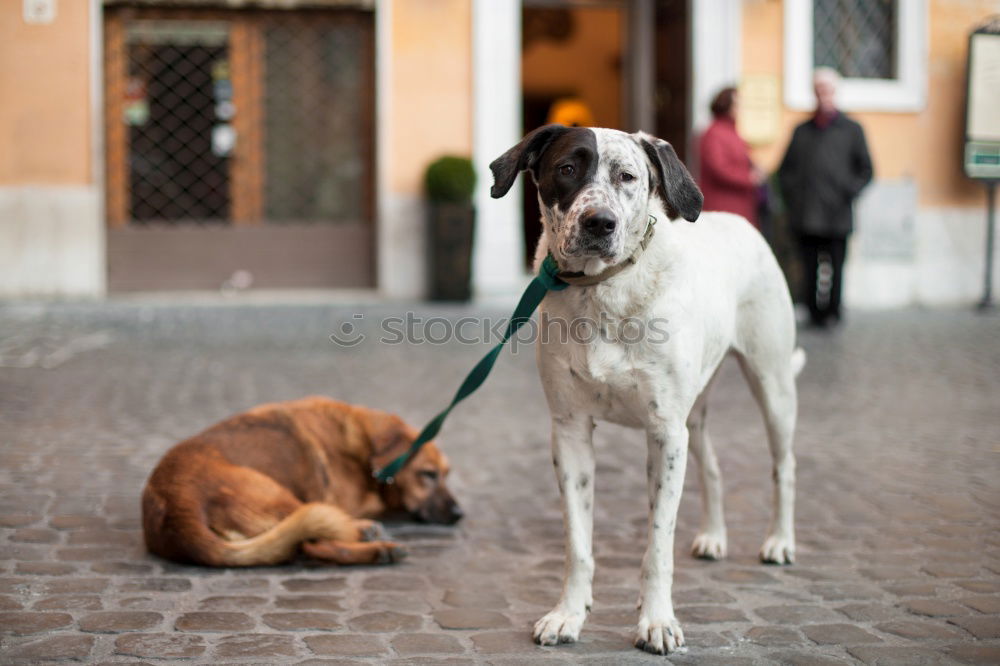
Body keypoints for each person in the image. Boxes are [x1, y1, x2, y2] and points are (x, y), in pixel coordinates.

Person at [778, 68, 873, 328]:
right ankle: (814, 312)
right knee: (809, 268)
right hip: (806, 213)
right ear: (814, 94)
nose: (824, 95)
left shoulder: (852, 129)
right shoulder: (802, 130)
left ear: (835, 92)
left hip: (837, 213)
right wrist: (794, 197)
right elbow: (784, 171)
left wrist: (848, 190)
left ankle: (833, 311)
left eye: (828, 90)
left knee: (836, 267)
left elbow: (866, 170)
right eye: (819, 90)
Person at [698, 86, 765, 228]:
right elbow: (719, 168)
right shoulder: (714, 133)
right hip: (724, 206)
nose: (741, 109)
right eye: (737, 104)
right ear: (726, 106)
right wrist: (749, 178)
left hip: (739, 204)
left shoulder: (731, 131)